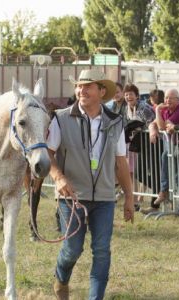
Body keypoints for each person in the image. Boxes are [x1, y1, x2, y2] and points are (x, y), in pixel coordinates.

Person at [47, 69, 134, 300]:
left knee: (102, 252)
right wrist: (58, 177)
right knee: (72, 249)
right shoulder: (61, 118)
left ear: (101, 91)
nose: (81, 90)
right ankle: (61, 278)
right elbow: (49, 154)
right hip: (71, 196)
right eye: (78, 86)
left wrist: (129, 196)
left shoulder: (115, 122)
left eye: (88, 86)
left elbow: (121, 162)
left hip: (105, 198)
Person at [147, 89, 179, 210]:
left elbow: (161, 126)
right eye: (166, 98)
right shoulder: (166, 110)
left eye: (171, 98)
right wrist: (152, 131)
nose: (167, 100)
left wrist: (157, 110)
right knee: (175, 173)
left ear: (178, 100)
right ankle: (167, 194)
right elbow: (153, 124)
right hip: (171, 147)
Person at [123, 83, 155, 211]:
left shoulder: (144, 108)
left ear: (137, 96)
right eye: (126, 94)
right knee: (132, 171)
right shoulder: (126, 108)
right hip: (134, 144)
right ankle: (135, 198)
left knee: (143, 171)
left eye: (131, 94)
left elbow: (152, 123)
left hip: (148, 143)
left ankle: (145, 197)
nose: (128, 97)